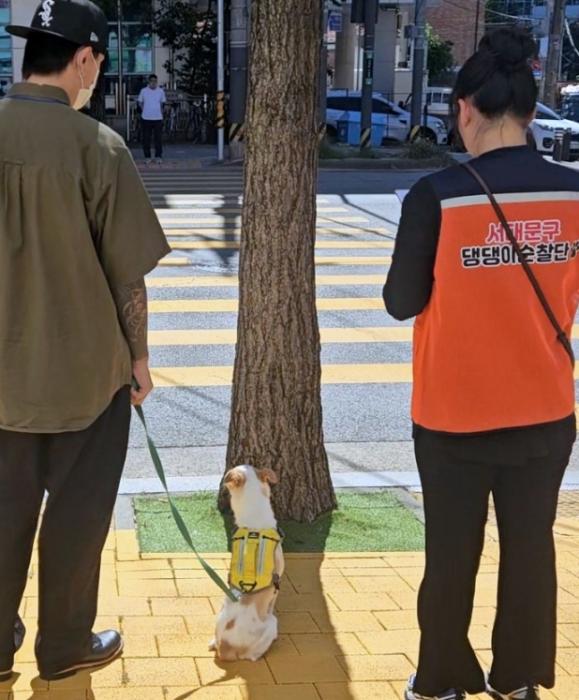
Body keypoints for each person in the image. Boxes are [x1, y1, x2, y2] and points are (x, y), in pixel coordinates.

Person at [384, 27, 579, 700]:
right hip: (544, 411)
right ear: (527, 111)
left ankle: (440, 681)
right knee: (529, 550)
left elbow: (400, 302)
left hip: (452, 415)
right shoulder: (573, 195)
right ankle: (517, 679)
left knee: (449, 554)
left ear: (464, 109)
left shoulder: (435, 195)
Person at [1, 0, 170, 683]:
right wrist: (139, 359)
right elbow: (127, 275)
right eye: (97, 62)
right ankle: (64, 646)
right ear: (83, 59)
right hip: (87, 380)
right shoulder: (98, 148)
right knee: (77, 518)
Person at [138, 74, 166, 164]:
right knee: (146, 138)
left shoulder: (160, 91)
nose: (153, 83)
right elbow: (140, 102)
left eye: (155, 81)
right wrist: (144, 110)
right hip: (146, 118)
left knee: (158, 139)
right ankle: (147, 156)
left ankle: (158, 156)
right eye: (152, 81)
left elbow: (162, 103)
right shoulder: (143, 91)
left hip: (158, 118)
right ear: (149, 82)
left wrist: (161, 113)